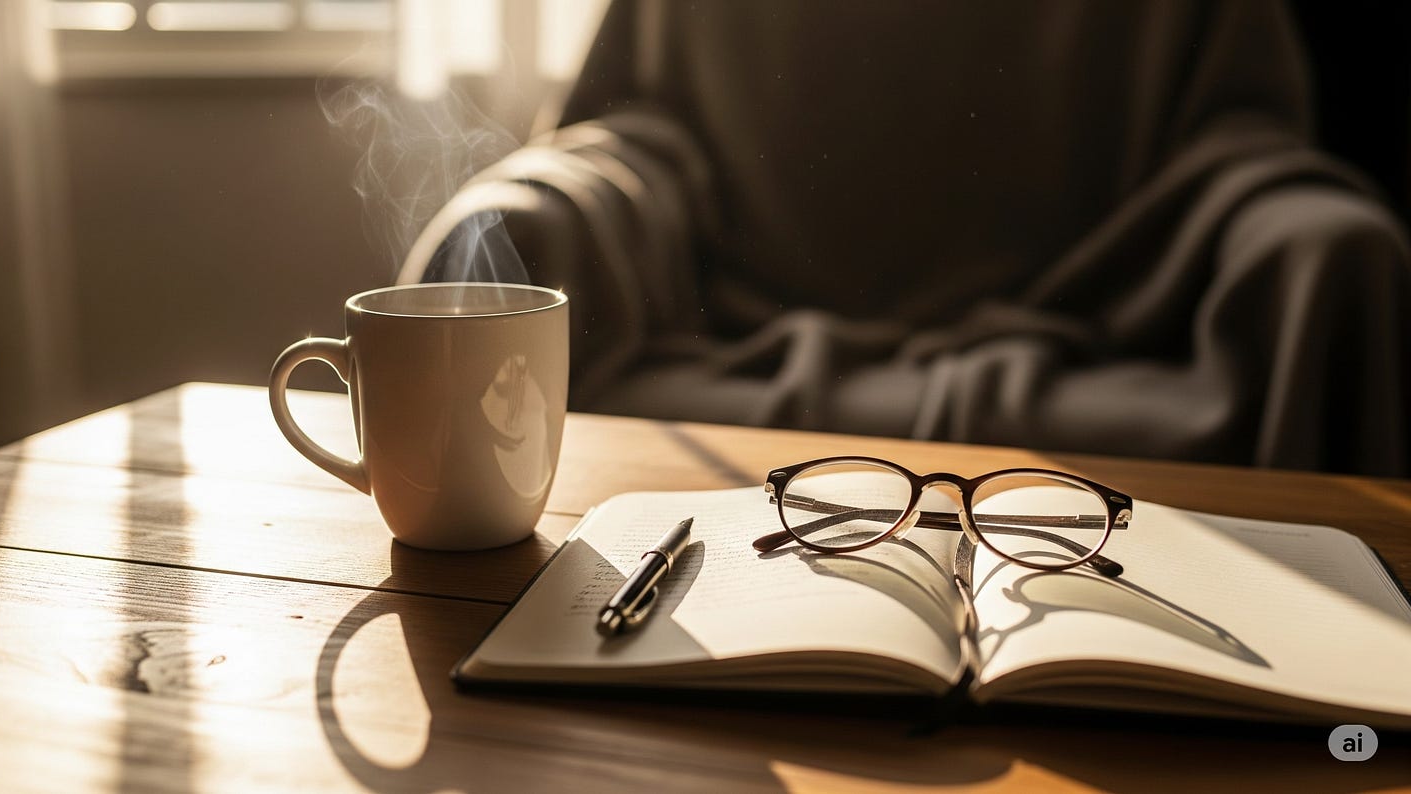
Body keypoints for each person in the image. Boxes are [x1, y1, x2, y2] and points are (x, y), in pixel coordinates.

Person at [401, 0, 1411, 475]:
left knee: (1339, 245)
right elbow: (631, 138)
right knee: (497, 235)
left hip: (1103, 333)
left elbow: (1237, 154)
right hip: (730, 324)